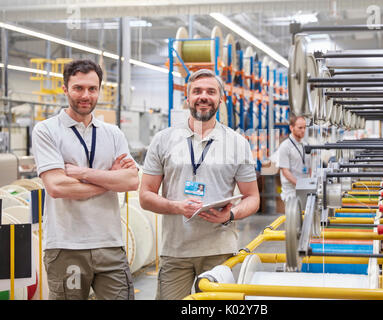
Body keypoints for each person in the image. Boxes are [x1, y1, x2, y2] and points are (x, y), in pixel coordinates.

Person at [139, 69, 260, 300]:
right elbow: (145, 195)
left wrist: (230, 215)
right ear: (188, 98)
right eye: (197, 91)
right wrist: (177, 207)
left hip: (219, 250)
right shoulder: (163, 140)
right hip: (175, 251)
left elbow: (253, 198)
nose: (203, 96)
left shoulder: (237, 142)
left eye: (211, 92)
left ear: (220, 99)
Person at [32, 59, 139, 300]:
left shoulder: (113, 133)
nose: (86, 95)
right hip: (66, 246)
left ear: (100, 89)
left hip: (110, 245)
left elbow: (132, 181)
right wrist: (110, 179)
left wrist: (82, 174)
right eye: (78, 88)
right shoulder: (47, 130)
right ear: (65, 88)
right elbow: (57, 186)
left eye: (92, 88)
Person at [277, 115, 311, 201]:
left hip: (304, 189)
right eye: (300, 128)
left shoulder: (305, 145)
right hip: (291, 192)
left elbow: (309, 167)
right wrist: (300, 185)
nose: (303, 130)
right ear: (291, 128)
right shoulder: (285, 146)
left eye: (304, 127)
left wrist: (310, 183)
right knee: (294, 213)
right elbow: (285, 171)